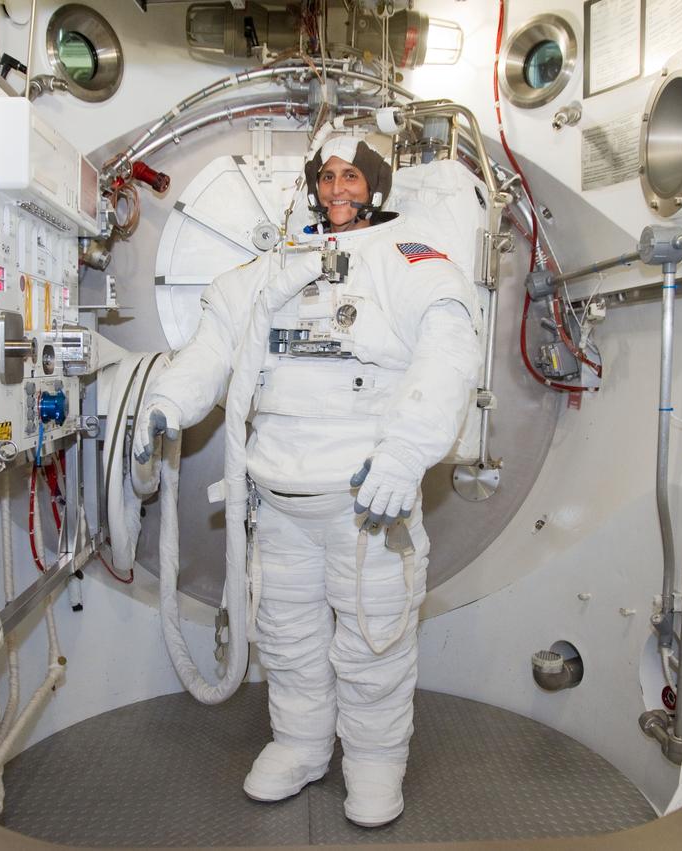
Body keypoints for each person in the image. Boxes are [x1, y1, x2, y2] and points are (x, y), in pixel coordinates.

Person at [133, 134, 480, 827]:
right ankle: (299, 744)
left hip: (365, 506)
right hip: (280, 502)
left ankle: (376, 762)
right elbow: (212, 344)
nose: (337, 188)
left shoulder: (411, 263)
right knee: (286, 636)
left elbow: (448, 356)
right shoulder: (270, 271)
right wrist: (169, 402)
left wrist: (406, 454)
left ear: (375, 185)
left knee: (372, 640)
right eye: (326, 176)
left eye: (351, 175)